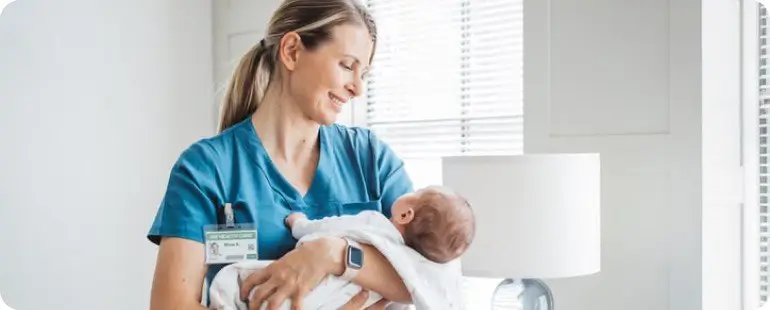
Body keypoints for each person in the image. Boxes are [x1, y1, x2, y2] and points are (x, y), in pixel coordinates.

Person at [146, 1, 415, 309]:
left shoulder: (370, 159)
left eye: (363, 73)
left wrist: (332, 255)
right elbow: (170, 304)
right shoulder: (206, 170)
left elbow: (432, 275)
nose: (357, 88)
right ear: (291, 51)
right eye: (346, 65)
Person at [286, 185, 476, 264]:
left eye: (417, 192)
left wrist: (299, 224)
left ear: (404, 215)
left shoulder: (374, 222)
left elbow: (327, 227)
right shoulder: (404, 266)